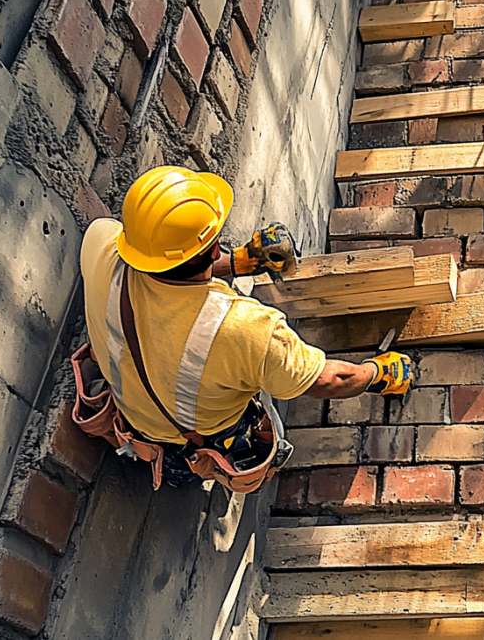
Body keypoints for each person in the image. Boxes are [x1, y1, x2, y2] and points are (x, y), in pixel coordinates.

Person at [78, 165, 412, 487]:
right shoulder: (247, 330)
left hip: (131, 414)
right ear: (211, 252)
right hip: (191, 448)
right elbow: (330, 380)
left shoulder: (99, 243)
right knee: (256, 422)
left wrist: (242, 261)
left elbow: (171, 271)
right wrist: (379, 373)